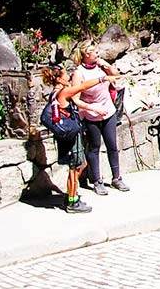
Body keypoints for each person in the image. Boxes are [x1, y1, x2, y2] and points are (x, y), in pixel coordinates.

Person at [41, 64, 121, 213]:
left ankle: (71, 195)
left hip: (69, 133)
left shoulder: (56, 93)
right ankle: (72, 201)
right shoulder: (63, 92)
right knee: (75, 167)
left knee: (81, 164)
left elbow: (78, 102)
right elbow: (82, 87)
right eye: (65, 75)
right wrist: (102, 78)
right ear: (59, 79)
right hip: (70, 136)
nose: (69, 77)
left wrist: (95, 109)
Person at [72, 41, 129, 195]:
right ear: (86, 55)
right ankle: (97, 180)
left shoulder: (100, 67)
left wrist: (106, 64)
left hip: (108, 111)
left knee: (112, 145)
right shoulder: (79, 73)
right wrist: (93, 108)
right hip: (92, 115)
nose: (97, 54)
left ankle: (117, 177)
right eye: (94, 52)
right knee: (94, 147)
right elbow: (76, 99)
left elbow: (116, 76)